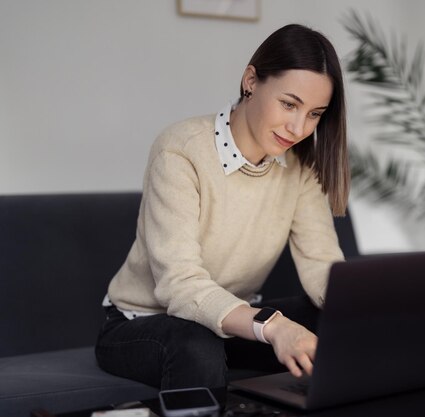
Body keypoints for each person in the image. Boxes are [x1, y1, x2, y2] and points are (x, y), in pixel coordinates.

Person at [95, 23, 350, 390]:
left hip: (232, 324)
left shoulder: (300, 165)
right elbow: (180, 286)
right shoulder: (180, 149)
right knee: (197, 347)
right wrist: (273, 326)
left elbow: (320, 263)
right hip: (144, 323)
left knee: (333, 323)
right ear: (251, 81)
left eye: (314, 114)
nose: (298, 127)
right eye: (289, 104)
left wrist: (362, 312)